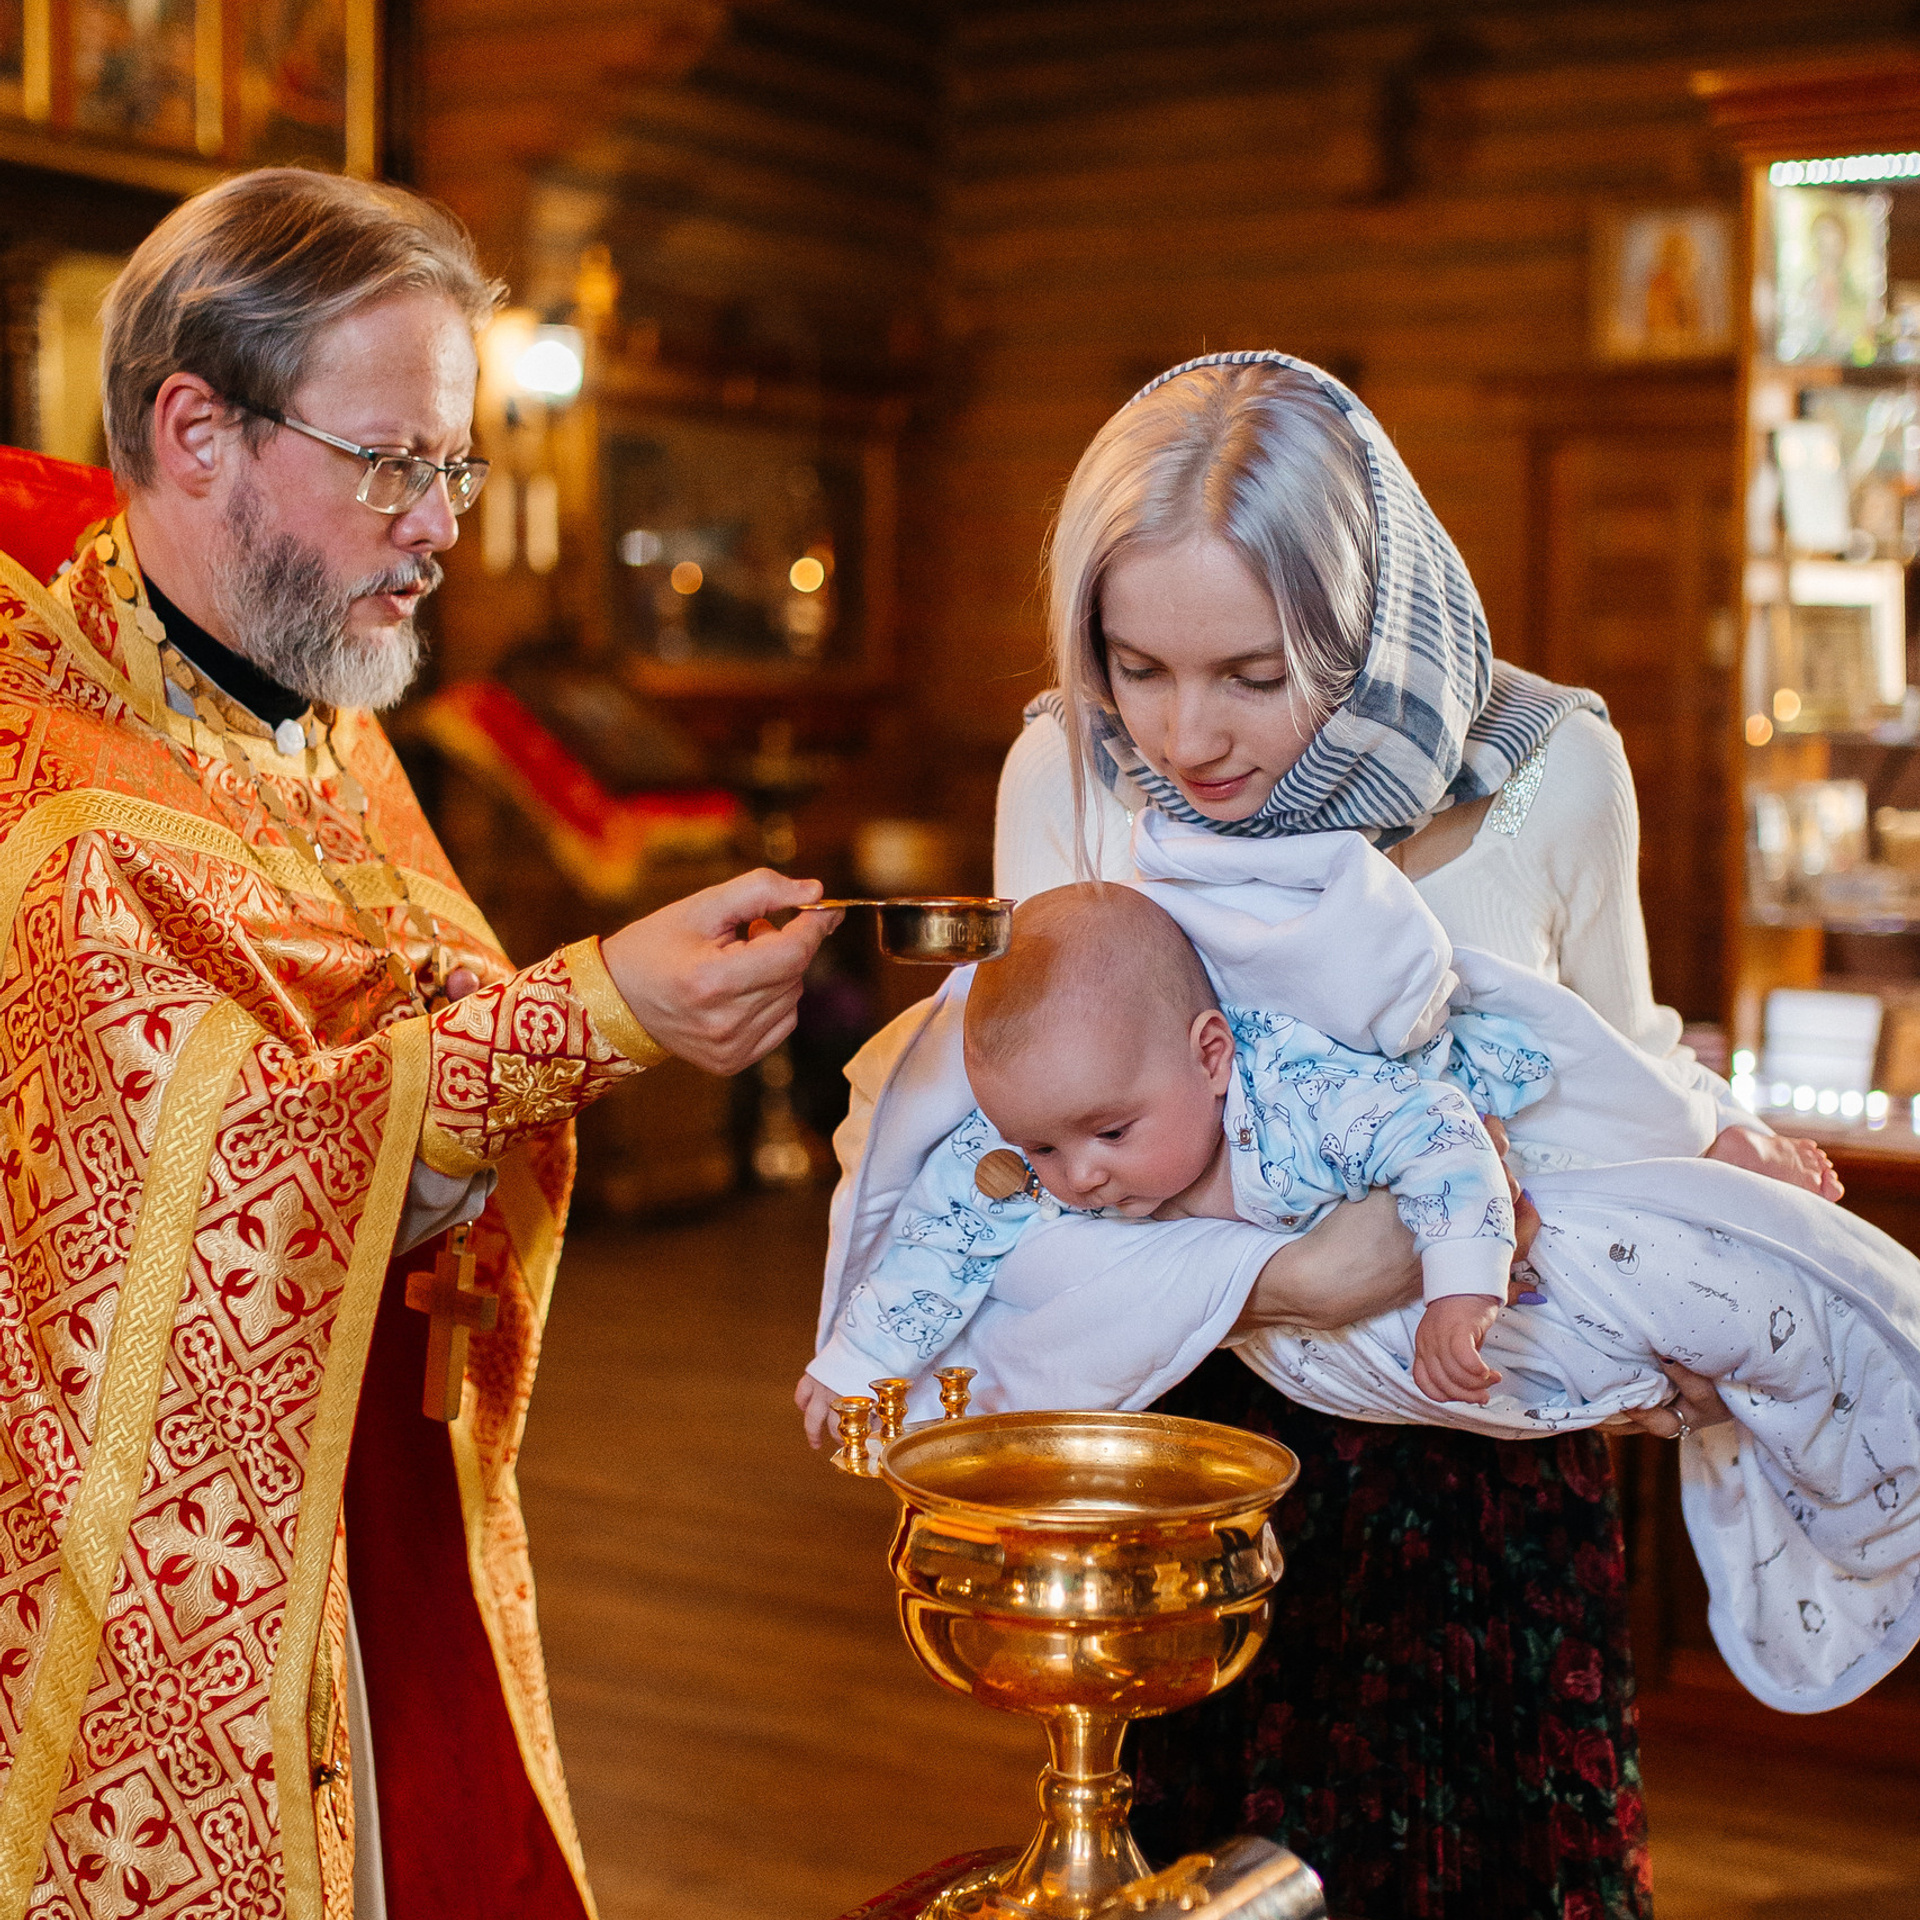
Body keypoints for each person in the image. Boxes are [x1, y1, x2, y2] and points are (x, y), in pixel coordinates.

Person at [0, 168, 835, 1919]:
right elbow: (204, 1196)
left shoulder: (313, 714)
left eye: (452, 465)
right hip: (162, 1555)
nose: (440, 520)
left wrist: (552, 1032)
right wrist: (597, 1012)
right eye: (392, 461)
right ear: (197, 429)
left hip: (366, 1498)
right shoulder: (47, 786)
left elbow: (413, 1032)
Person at [977, 350, 1749, 1917]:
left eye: (1256, 675)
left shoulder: (1557, 771)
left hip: (1478, 1464)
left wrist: (1712, 1188)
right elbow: (998, 1165)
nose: (1188, 736)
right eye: (1139, 666)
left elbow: (1621, 1070)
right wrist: (1302, 1279)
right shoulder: (1069, 771)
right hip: (1191, 1453)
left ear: (1370, 615)